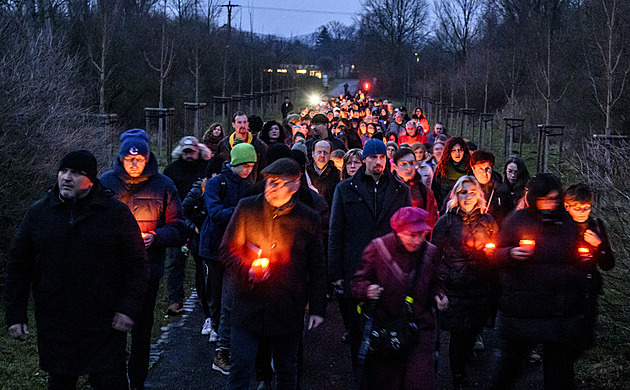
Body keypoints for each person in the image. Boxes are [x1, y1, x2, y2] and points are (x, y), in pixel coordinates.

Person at [5, 150, 149, 390]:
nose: (66, 178)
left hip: (103, 322)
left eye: (76, 173)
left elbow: (137, 264)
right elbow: (18, 265)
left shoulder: (114, 214)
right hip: (56, 322)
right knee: (60, 382)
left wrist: (128, 308)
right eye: (63, 171)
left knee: (109, 381)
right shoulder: (40, 213)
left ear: (90, 179)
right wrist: (15, 315)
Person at [220, 158, 327, 389]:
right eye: (269, 182)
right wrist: (247, 270)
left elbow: (317, 266)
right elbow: (227, 250)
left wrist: (317, 308)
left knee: (286, 371)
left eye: (279, 183)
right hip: (248, 306)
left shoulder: (308, 218)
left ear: (296, 184)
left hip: (287, 307)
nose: (272, 189)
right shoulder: (247, 208)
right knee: (240, 370)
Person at [99, 129, 184, 390]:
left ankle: (137, 381)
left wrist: (156, 236)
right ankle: (112, 380)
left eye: (139, 158)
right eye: (129, 158)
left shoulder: (164, 185)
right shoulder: (105, 184)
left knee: (141, 329)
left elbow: (179, 226)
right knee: (111, 329)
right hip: (111, 271)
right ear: (121, 158)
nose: (134, 163)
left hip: (148, 270)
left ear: (148, 158)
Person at [491, 173, 590, 390]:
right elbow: (494, 255)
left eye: (554, 199)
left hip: (558, 312)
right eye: (544, 199)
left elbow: (577, 262)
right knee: (509, 369)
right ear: (534, 198)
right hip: (524, 310)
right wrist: (510, 253)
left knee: (559, 375)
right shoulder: (517, 220)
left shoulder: (568, 224)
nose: (550, 204)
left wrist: (584, 260)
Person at [329, 139, 412, 370]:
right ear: (364, 159)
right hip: (356, 266)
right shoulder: (345, 189)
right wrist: (335, 272)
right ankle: (361, 375)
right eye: (373, 157)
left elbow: (406, 228)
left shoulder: (400, 190)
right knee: (358, 331)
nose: (378, 162)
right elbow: (336, 230)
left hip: (389, 267)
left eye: (382, 157)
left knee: (389, 326)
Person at [352, 207, 448, 390]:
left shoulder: (431, 252)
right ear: (398, 231)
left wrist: (439, 296)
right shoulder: (378, 248)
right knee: (387, 381)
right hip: (387, 328)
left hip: (420, 328)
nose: (418, 240)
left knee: (419, 381)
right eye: (412, 234)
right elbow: (358, 280)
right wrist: (367, 289)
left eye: (422, 234)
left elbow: (437, 281)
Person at [432, 175, 498, 390]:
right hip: (455, 286)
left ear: (478, 195)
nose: (468, 196)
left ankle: (463, 363)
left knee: (473, 331)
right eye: (463, 192)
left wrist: (489, 255)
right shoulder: (446, 221)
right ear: (456, 195)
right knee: (459, 335)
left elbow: (496, 248)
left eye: (472, 192)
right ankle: (458, 377)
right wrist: (446, 277)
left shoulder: (487, 220)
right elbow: (435, 253)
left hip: (480, 284)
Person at [198, 138, 257, 375]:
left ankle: (226, 344)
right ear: (235, 163)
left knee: (230, 298)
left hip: (236, 249)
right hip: (213, 247)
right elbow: (214, 213)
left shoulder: (249, 184)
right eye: (244, 165)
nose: (248, 170)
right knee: (215, 295)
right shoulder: (217, 184)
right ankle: (217, 333)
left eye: (251, 166)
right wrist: (243, 211)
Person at [163, 136, 211, 315]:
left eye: (192, 151)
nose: (189, 155)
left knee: (202, 262)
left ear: (199, 151)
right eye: (186, 151)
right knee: (176, 261)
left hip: (201, 221)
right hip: (178, 221)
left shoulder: (206, 168)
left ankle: (203, 295)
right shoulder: (171, 171)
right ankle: (176, 299)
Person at [564, 183, 615, 346]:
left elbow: (608, 264)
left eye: (586, 208)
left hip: (588, 290)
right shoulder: (561, 226)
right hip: (565, 290)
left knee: (583, 338)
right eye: (577, 208)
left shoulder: (596, 226)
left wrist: (600, 245)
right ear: (567, 206)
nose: (582, 213)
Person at [392, 148, 439, 229]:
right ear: (395, 167)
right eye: (404, 164)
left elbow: (432, 220)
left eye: (412, 163)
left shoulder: (424, 191)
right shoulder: (388, 189)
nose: (409, 168)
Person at [217, 112, 268, 182]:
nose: (243, 125)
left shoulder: (259, 145)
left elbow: (264, 168)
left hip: (251, 187)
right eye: (239, 122)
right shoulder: (224, 144)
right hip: (229, 186)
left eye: (245, 122)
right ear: (233, 125)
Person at [469, 150, 513, 226]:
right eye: (480, 169)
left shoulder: (502, 190)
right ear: (473, 168)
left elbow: (509, 216)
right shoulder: (463, 189)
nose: (484, 173)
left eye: (487, 169)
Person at [434, 136, 471, 209]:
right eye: (453, 150)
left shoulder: (470, 169)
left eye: (460, 150)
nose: (457, 153)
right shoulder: (442, 169)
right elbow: (435, 191)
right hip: (444, 209)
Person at [306, 139, 341, 207]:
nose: (322, 155)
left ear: (330, 155)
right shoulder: (305, 172)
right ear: (313, 154)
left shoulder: (337, 175)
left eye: (325, 152)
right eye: (319, 152)